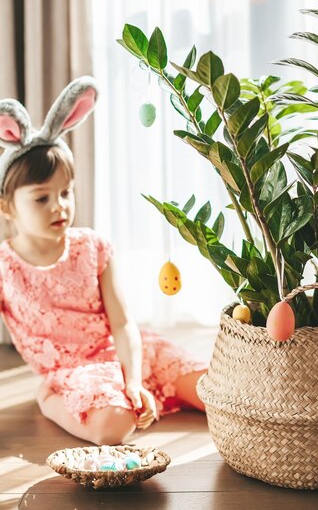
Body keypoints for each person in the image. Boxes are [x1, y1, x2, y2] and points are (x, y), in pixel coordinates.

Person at [0, 77, 207, 446]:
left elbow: (123, 323)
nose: (59, 205)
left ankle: (145, 394)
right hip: (75, 369)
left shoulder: (92, 246)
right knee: (113, 427)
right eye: (41, 198)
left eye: (65, 192)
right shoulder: (5, 266)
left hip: (123, 351)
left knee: (215, 391)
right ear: (7, 207)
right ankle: (52, 398)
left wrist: (133, 380)